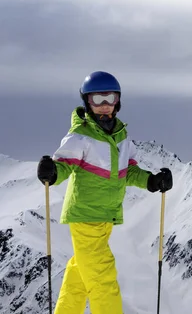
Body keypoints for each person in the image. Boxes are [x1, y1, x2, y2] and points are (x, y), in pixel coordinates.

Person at [36, 71, 173, 314]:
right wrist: (52, 172)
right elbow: (65, 165)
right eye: (97, 100)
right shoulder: (81, 135)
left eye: (109, 98)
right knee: (103, 279)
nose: (103, 106)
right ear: (87, 102)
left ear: (118, 102)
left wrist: (152, 181)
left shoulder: (121, 137)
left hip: (104, 218)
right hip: (85, 216)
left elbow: (129, 171)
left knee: (80, 274)